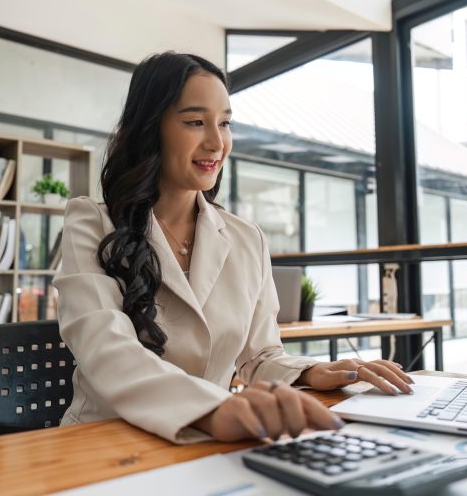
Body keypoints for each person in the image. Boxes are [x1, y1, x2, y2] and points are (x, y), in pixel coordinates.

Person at [54, 51, 413, 444]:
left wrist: (312, 372)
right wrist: (213, 410)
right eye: (195, 122)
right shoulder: (91, 222)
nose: (216, 142)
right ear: (150, 128)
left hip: (206, 441)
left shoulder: (246, 237)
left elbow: (260, 357)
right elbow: (107, 349)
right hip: (106, 441)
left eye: (224, 123)